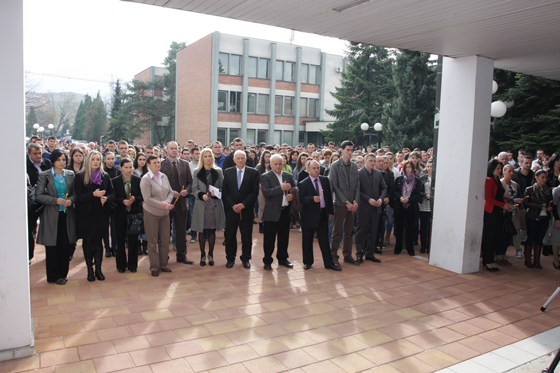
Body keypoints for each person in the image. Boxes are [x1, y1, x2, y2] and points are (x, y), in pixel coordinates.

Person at [35, 149, 76, 285]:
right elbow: (39, 195)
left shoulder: (70, 174)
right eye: (58, 160)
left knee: (65, 245)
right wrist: (55, 200)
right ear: (53, 161)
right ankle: (53, 275)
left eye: (63, 160)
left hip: (66, 215)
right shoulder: (45, 175)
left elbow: (75, 193)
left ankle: (63, 273)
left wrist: (71, 200)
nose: (61, 162)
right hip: (51, 215)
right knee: (52, 245)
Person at [74, 150, 116, 282]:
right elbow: (78, 197)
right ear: (88, 161)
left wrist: (106, 198)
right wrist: (93, 194)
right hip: (85, 214)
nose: (96, 162)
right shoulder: (80, 176)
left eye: (98, 159)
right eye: (93, 159)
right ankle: (89, 270)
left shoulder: (104, 176)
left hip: (100, 214)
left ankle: (98, 268)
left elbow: (112, 193)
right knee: (87, 242)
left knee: (98, 241)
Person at [299, 160, 340, 271]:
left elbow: (328, 197)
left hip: (322, 215)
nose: (317, 170)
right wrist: (312, 199)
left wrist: (330, 212)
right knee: (307, 240)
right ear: (308, 170)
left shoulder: (325, 180)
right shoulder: (303, 183)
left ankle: (329, 263)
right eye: (314, 168)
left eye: (318, 168)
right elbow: (301, 199)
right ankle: (307, 262)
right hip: (309, 216)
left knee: (324, 241)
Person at [222, 150, 260, 268]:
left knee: (246, 236)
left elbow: (254, 192)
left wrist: (243, 204)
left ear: (246, 159)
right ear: (234, 160)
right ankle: (230, 258)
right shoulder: (228, 172)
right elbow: (225, 191)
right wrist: (233, 205)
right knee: (230, 236)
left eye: (242, 158)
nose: (240, 160)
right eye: (237, 158)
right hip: (231, 210)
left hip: (246, 210)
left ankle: (246, 258)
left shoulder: (253, 173)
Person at [140, 155, 175, 276]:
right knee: (152, 241)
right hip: (151, 213)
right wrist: (162, 204)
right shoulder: (146, 179)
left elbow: (170, 192)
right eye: (154, 163)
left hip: (165, 213)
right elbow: (147, 198)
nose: (157, 164)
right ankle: (154, 266)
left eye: (158, 162)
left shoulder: (163, 176)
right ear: (148, 165)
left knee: (165, 240)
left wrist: (168, 203)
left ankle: (163, 264)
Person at [160, 141, 193, 264]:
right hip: (166, 203)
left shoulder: (185, 164)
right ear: (166, 150)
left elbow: (190, 182)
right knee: (164, 232)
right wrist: (169, 191)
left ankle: (182, 256)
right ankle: (164, 257)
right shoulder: (161, 165)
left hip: (181, 202)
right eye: (171, 148)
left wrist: (187, 191)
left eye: (176, 148)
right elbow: (159, 183)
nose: (174, 150)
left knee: (181, 232)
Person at [260, 154, 296, 270]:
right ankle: (267, 261)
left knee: (284, 237)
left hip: (285, 211)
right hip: (271, 211)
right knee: (269, 238)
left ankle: (283, 259)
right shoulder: (265, 176)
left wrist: (291, 195)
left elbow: (294, 189)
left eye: (280, 164)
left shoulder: (289, 176)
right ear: (271, 165)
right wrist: (280, 188)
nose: (278, 166)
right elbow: (266, 192)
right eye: (275, 164)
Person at [191, 148, 226, 266]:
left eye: (209, 156)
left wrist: (216, 193)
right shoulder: (197, 172)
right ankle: (202, 255)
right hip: (201, 204)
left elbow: (223, 187)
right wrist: (201, 195)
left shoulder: (218, 171)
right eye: (205, 156)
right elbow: (194, 189)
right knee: (201, 231)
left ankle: (210, 255)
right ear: (202, 158)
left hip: (214, 204)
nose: (207, 158)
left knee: (212, 230)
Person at [329, 140, 360, 266]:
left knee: (349, 231)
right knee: (337, 231)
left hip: (352, 204)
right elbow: (335, 186)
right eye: (348, 149)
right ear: (341, 150)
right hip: (340, 204)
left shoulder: (354, 166)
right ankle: (333, 256)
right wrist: (346, 202)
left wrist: (356, 201)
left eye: (352, 150)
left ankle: (347, 255)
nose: (350, 152)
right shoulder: (335, 165)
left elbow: (358, 185)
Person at [112, 158, 143, 273]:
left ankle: (132, 265)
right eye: (126, 167)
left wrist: (135, 199)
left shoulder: (138, 180)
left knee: (133, 240)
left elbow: (142, 196)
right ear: (121, 168)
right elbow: (113, 197)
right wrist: (122, 201)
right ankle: (121, 265)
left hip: (134, 214)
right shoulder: (115, 181)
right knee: (120, 240)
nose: (129, 169)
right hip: (120, 214)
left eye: (131, 167)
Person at [481, 160, 512, 272]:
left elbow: (500, 196)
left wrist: (505, 203)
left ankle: (490, 260)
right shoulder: (489, 180)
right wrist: (502, 205)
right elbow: (488, 198)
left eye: (500, 168)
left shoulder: (497, 181)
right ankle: (487, 261)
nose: (499, 171)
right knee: (489, 237)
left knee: (495, 237)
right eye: (497, 168)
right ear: (492, 168)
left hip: (498, 211)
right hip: (491, 212)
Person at [355, 154, 387, 263]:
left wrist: (381, 199)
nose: (373, 163)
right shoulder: (359, 173)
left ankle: (370, 253)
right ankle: (359, 253)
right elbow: (357, 190)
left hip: (376, 208)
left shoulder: (378, 174)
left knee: (373, 231)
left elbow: (384, 188)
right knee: (361, 231)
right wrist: (368, 199)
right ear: (365, 161)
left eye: (374, 161)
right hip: (364, 207)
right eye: (371, 161)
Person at [523, 169, 553, 269]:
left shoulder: (548, 190)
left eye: (546, 177)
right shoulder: (530, 189)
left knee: (539, 239)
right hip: (533, 217)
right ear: (536, 178)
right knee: (531, 238)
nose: (544, 180)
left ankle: (537, 260)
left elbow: (551, 201)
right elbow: (526, 202)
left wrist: (550, 207)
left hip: (544, 217)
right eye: (542, 177)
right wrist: (539, 207)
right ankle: (527, 259)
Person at [393, 160, 423, 256]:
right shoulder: (399, 180)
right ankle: (398, 247)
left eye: (410, 167)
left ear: (413, 168)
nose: (408, 169)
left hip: (411, 207)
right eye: (406, 167)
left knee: (410, 228)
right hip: (400, 207)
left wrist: (409, 200)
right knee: (399, 228)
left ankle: (410, 248)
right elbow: (394, 191)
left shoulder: (417, 181)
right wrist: (400, 197)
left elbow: (418, 194)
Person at [418, 160, 433, 254]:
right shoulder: (422, 178)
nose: (429, 168)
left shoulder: (438, 177)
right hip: (424, 206)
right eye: (428, 166)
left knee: (432, 227)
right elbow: (418, 191)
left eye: (431, 166)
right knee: (423, 227)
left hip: (434, 207)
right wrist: (425, 195)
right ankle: (423, 246)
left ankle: (430, 246)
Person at [255, 150, 272, 233]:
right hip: (261, 188)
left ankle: (268, 224)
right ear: (263, 157)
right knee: (262, 207)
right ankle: (261, 224)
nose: (268, 158)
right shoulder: (259, 166)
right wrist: (260, 185)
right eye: (266, 156)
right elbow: (256, 177)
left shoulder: (272, 165)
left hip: (270, 188)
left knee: (270, 206)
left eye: (269, 156)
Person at [187, 147, 200, 244]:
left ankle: (206, 235)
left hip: (202, 194)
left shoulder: (203, 165)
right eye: (196, 153)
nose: (198, 155)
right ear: (192, 155)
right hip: (191, 195)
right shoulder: (188, 166)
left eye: (199, 153)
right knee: (192, 215)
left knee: (203, 214)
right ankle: (193, 235)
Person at [550, 177, 560, 269]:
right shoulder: (557, 190)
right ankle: (556, 260)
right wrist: (557, 219)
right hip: (558, 218)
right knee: (556, 240)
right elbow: (554, 206)